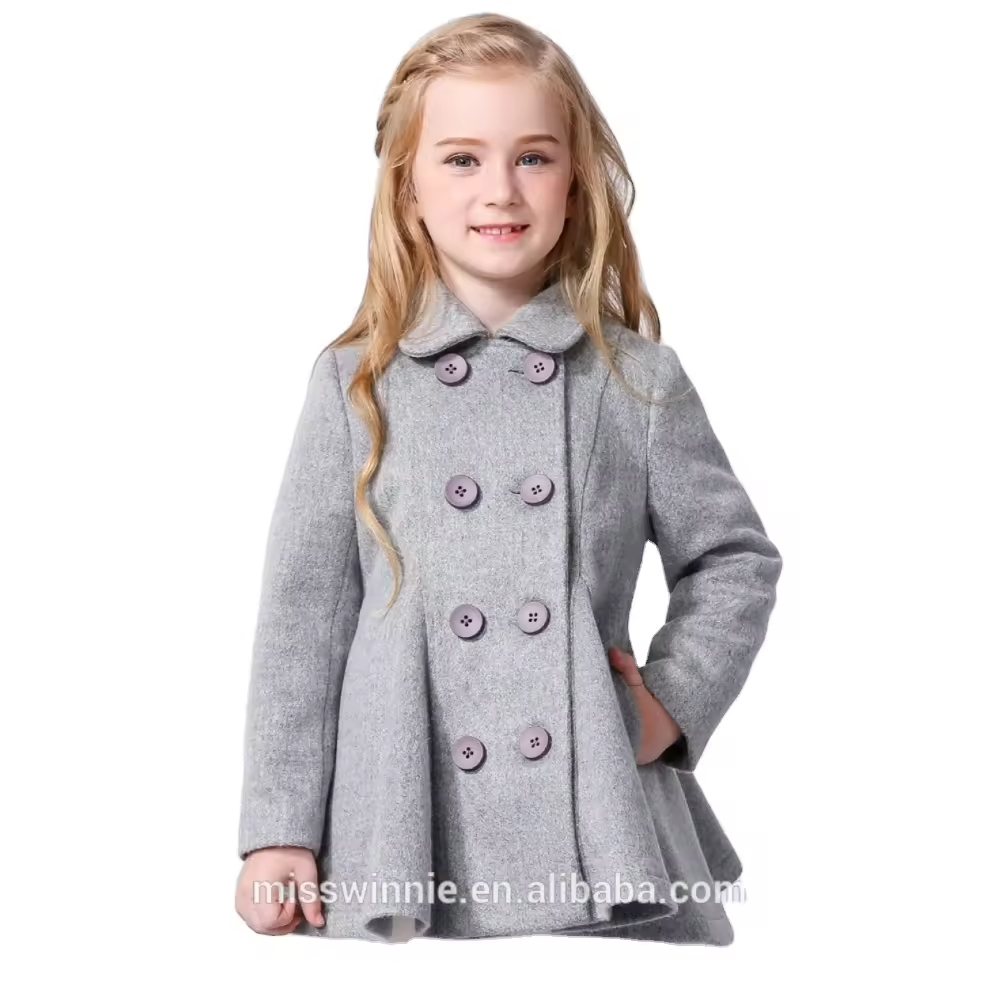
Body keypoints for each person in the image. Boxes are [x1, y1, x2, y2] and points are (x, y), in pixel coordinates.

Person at [234, 12, 782, 947]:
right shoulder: (354, 383)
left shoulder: (634, 380)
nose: (501, 189)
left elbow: (734, 559)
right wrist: (279, 829)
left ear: (577, 181)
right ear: (407, 187)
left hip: (593, 822)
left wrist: (670, 707)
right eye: (461, 159)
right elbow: (305, 614)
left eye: (533, 156)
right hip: (401, 820)